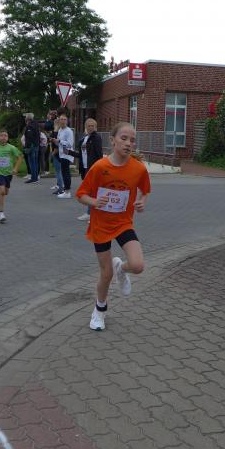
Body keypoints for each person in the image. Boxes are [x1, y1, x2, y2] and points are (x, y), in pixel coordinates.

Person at [76, 122, 151, 331]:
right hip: (100, 225)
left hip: (123, 223)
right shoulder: (100, 167)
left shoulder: (138, 168)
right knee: (106, 274)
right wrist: (94, 202)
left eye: (132, 140)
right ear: (112, 140)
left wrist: (142, 201)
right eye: (124, 138)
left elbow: (145, 190)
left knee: (138, 265)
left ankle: (122, 268)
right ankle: (99, 310)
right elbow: (81, 194)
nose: (128, 143)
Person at [0, 130, 22, 223]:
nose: (3, 137)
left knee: (5, 192)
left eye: (5, 135)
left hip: (8, 173)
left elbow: (20, 157)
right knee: (2, 191)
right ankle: (1, 213)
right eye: (1, 135)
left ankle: (4, 191)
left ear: (7, 138)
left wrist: (15, 168)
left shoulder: (11, 148)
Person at [77, 118, 104, 221]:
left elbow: (99, 154)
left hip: (93, 168)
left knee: (93, 191)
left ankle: (93, 214)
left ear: (96, 127)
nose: (91, 127)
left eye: (93, 126)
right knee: (89, 191)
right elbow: (82, 154)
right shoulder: (86, 138)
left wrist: (99, 167)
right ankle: (89, 213)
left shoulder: (96, 137)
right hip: (85, 167)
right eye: (89, 126)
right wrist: (69, 152)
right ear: (86, 127)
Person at [55, 114, 74, 198]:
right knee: (64, 172)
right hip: (61, 154)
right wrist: (56, 141)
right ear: (59, 121)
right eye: (61, 119)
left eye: (64, 119)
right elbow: (59, 142)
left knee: (66, 173)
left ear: (67, 121)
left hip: (67, 154)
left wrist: (59, 141)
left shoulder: (69, 131)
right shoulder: (60, 130)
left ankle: (67, 192)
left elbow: (70, 144)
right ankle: (65, 190)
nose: (63, 121)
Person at [23, 116, 39, 183]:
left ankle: (33, 178)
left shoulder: (29, 127)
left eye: (26, 121)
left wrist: (27, 147)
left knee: (32, 163)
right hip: (36, 145)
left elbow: (29, 137)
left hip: (31, 146)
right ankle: (36, 177)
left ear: (28, 120)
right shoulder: (36, 125)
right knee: (35, 162)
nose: (26, 123)